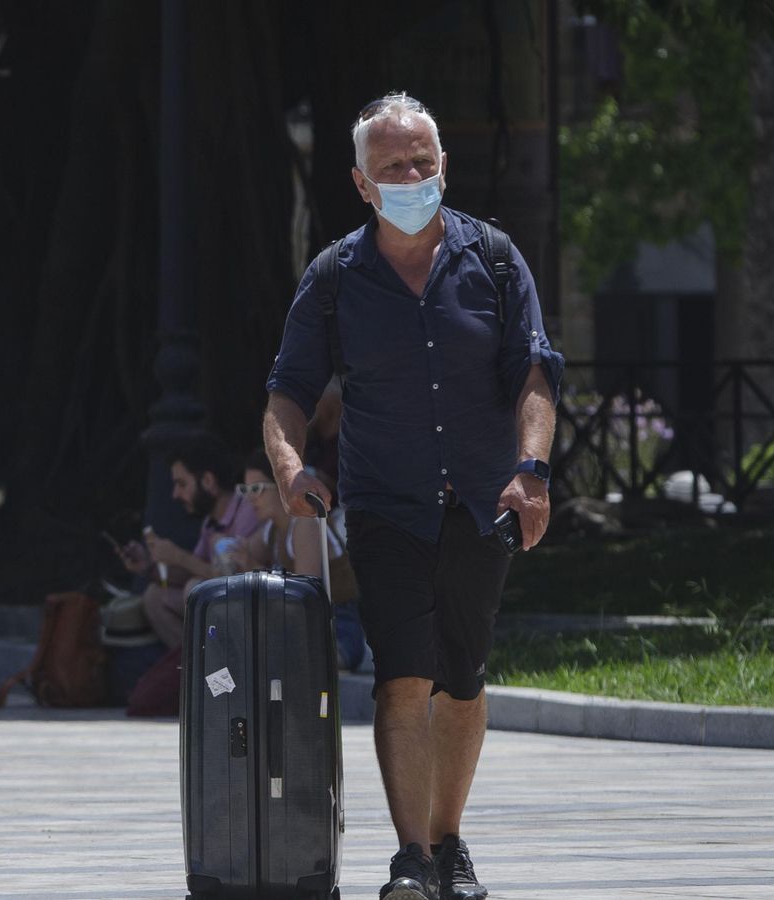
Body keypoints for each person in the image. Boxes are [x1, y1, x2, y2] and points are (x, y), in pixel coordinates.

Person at [263, 92, 564, 900]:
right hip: (385, 502)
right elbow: (287, 393)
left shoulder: (495, 260)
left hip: (479, 498)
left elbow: (535, 374)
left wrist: (531, 471)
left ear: (443, 165)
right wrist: (293, 468)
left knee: (462, 678)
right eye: (392, 165)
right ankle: (412, 856)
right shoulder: (334, 277)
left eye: (423, 161)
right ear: (362, 183)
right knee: (402, 673)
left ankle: (450, 840)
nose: (412, 175)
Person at [116, 437, 262, 648]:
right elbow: (196, 569)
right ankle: (191, 669)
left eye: (181, 484)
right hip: (224, 609)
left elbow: (232, 579)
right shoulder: (210, 522)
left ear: (208, 481)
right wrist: (148, 567)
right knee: (155, 596)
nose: (176, 494)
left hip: (249, 613)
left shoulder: (248, 509)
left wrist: (179, 556)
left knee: (195, 589)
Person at [234, 451, 366, 671]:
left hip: (336, 633)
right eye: (245, 491)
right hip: (297, 631)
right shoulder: (272, 528)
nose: (250, 498)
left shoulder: (305, 524)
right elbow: (236, 556)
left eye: (257, 489)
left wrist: (252, 567)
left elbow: (304, 598)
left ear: (282, 485)